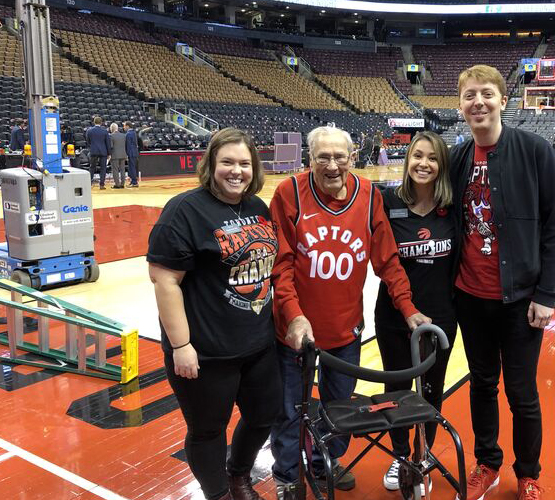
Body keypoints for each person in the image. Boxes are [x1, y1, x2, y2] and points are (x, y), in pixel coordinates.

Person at [269, 126, 430, 500]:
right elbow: (282, 265)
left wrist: (408, 308)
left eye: (340, 157)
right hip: (294, 332)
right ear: (310, 159)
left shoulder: (369, 194)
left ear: (353, 158)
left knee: (340, 411)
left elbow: (387, 260)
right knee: (290, 411)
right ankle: (287, 477)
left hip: (345, 330)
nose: (332, 165)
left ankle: (326, 463)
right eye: (323, 157)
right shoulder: (289, 193)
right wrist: (293, 315)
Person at [450, 65, 555, 500]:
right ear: (460, 106)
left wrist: (546, 294)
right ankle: (487, 462)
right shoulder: (458, 158)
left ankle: (529, 473)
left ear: (503, 100)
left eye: (486, 94)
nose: (477, 102)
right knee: (481, 384)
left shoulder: (535, 150)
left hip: (521, 300)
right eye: (469, 96)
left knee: (522, 392)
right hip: (470, 297)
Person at [147, 128, 281, 500]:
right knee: (208, 430)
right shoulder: (184, 210)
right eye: (227, 163)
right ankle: (218, 492)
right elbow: (165, 281)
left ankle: (238, 475)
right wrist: (181, 345)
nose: (236, 171)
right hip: (205, 352)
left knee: (263, 416)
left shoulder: (257, 207)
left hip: (257, 342)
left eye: (244, 163)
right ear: (211, 165)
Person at [375, 131, 456, 494]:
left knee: (432, 388)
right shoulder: (386, 201)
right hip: (393, 314)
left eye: (432, 158)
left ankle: (423, 455)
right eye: (417, 156)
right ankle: (401, 454)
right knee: (397, 387)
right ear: (407, 161)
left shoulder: (453, 209)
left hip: (441, 314)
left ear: (442, 166)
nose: (423, 164)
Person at [86, 116, 110, 190]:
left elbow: (88, 141)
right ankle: (102, 185)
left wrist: (92, 146)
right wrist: (109, 153)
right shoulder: (104, 131)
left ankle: (89, 183)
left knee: (92, 167)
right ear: (101, 123)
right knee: (103, 168)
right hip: (103, 151)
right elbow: (107, 143)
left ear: (94, 122)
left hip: (93, 151)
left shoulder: (89, 131)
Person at [109, 123, 127, 189]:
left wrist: (109, 154)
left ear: (112, 128)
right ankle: (122, 183)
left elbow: (111, 146)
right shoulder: (123, 135)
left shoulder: (111, 136)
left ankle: (117, 184)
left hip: (115, 155)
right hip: (123, 154)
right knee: (123, 169)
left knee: (115, 170)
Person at [124, 121, 140, 187]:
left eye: (124, 126)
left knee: (132, 168)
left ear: (127, 126)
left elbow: (127, 145)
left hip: (130, 153)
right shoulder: (134, 133)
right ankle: (133, 181)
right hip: (135, 152)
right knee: (134, 167)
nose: (124, 127)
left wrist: (126, 154)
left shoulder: (128, 134)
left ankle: (134, 182)